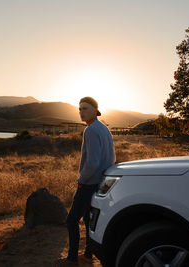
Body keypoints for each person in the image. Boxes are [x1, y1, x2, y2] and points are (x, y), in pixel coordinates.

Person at [58, 97, 115, 266]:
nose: (81, 112)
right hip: (101, 182)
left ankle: (72, 259)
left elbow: (92, 163)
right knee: (88, 220)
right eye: (79, 109)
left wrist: (81, 180)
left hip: (90, 183)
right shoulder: (104, 128)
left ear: (94, 110)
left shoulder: (90, 130)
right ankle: (88, 256)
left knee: (71, 220)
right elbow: (111, 157)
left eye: (85, 108)